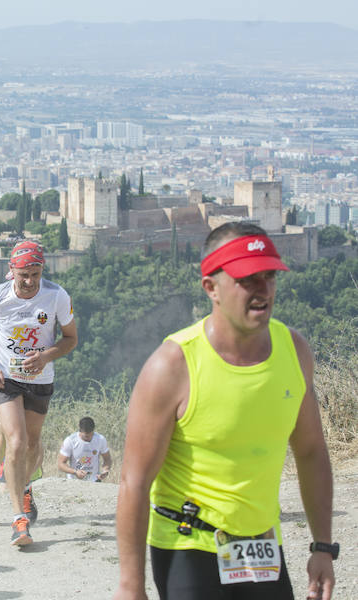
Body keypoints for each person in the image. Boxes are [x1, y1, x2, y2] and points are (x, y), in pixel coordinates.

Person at [114, 223, 336, 600]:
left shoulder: (294, 351)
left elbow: (312, 451)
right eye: (248, 279)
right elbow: (134, 482)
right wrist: (131, 587)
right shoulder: (172, 366)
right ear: (211, 288)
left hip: (263, 546)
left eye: (269, 276)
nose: (263, 289)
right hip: (189, 546)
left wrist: (323, 547)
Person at [0, 240, 77, 546]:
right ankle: (19, 519)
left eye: (35, 274)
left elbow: (71, 338)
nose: (29, 281)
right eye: (23, 274)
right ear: (11, 270)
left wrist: (46, 356)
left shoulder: (56, 296)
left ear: (43, 270)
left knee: (33, 444)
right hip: (5, 378)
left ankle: (24, 486)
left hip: (40, 378)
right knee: (17, 441)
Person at [58, 416, 111, 482]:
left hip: (94, 481)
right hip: (74, 482)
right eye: (86, 436)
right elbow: (60, 464)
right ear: (80, 430)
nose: (88, 438)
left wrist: (105, 470)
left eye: (91, 435)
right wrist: (75, 472)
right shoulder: (70, 441)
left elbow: (107, 459)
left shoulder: (100, 439)